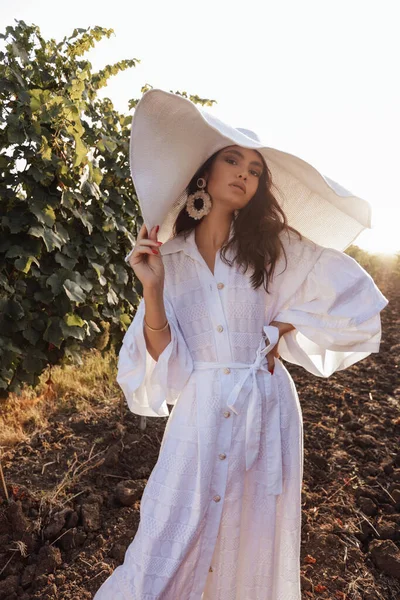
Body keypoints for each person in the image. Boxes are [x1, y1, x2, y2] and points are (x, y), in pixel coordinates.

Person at [94, 90, 388, 600]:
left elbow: (355, 303)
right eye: (232, 160)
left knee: (251, 540)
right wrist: (153, 288)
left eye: (254, 169)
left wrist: (281, 329)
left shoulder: (275, 249)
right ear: (203, 175)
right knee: (168, 535)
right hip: (202, 411)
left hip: (265, 407)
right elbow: (168, 372)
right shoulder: (172, 258)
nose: (244, 174)